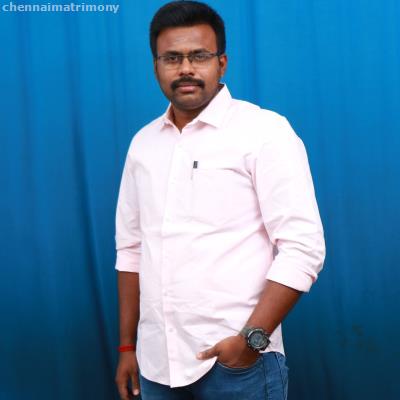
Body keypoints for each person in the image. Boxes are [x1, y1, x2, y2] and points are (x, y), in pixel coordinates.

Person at [114, 1, 325, 399]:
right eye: (172, 58)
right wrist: (127, 347)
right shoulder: (143, 144)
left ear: (222, 63)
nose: (186, 68)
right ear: (156, 66)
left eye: (199, 56)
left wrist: (249, 342)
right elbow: (131, 250)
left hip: (238, 366)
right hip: (157, 365)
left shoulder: (264, 132)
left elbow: (303, 248)